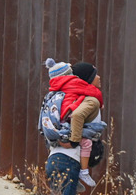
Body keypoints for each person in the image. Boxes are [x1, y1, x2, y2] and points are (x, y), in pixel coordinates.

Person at [45, 60, 104, 193]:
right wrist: (73, 141)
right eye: (95, 74)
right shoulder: (89, 100)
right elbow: (77, 117)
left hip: (53, 159)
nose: (99, 77)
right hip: (69, 160)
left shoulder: (61, 97)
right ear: (88, 79)